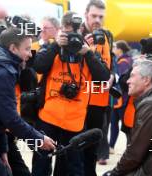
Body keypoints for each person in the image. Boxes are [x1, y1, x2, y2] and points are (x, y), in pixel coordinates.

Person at [0, 27, 55, 176]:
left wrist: (2, 150)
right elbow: (10, 119)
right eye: (27, 49)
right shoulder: (2, 73)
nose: (29, 54)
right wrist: (40, 139)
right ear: (13, 48)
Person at [31, 11, 110, 176]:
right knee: (41, 162)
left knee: (73, 166)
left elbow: (103, 77)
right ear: (61, 29)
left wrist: (88, 53)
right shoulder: (53, 47)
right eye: (67, 30)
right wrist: (55, 45)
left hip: (75, 120)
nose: (72, 34)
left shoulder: (88, 51)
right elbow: (38, 66)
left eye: (76, 30)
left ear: (81, 29)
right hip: (48, 116)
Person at [81, 0, 113, 174]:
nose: (97, 20)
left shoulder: (107, 35)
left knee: (93, 147)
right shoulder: (77, 33)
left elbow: (110, 62)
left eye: (101, 16)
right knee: (76, 147)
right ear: (86, 14)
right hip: (79, 100)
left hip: (99, 101)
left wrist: (112, 76)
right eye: (94, 16)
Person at [109, 40, 132, 155]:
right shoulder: (127, 60)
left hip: (122, 98)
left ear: (120, 49)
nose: (113, 50)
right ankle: (111, 146)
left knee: (125, 125)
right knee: (115, 124)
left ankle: (129, 147)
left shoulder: (123, 62)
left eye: (115, 48)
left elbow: (122, 81)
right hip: (120, 98)